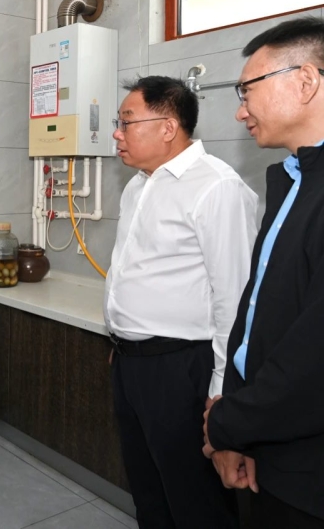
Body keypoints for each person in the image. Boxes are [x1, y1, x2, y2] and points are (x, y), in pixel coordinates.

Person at [104, 76, 258, 528]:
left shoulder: (217, 187)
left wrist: (221, 393)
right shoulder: (137, 186)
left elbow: (235, 302)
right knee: (149, 494)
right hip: (131, 364)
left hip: (182, 369)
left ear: (168, 127)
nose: (117, 133)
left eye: (126, 122)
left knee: (194, 501)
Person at [203, 17, 324, 528]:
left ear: (305, 81)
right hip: (271, 446)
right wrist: (243, 430)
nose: (240, 110)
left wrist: (228, 422)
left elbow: (313, 356)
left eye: (247, 90)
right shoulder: (293, 181)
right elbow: (258, 317)